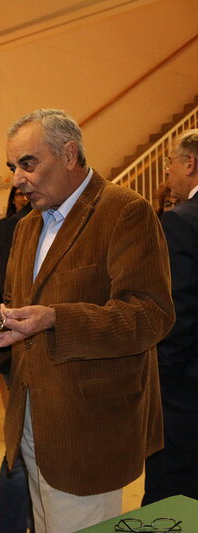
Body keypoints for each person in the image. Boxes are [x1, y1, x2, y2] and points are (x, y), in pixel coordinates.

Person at [0, 108, 175, 532]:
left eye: (28, 164)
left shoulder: (124, 212)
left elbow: (149, 315)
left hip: (89, 429)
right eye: (13, 167)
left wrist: (55, 320)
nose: (17, 178)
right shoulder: (27, 227)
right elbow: (21, 308)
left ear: (69, 155)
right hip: (30, 417)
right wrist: (0, 334)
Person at [143, 129, 198, 505]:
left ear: (190, 164)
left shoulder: (180, 222)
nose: (167, 173)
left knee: (170, 496)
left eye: (170, 163)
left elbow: (178, 314)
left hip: (184, 392)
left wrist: (158, 384)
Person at [0, 185, 34, 533]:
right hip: (10, 339)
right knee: (17, 445)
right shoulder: (7, 228)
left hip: (38, 341)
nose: (21, 190)